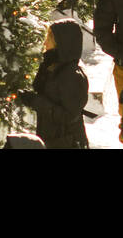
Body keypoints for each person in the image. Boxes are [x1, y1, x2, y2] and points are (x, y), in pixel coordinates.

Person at [23, 18, 88, 149]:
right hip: (55, 139)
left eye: (49, 38)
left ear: (62, 42)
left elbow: (69, 115)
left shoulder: (71, 74)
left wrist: (34, 101)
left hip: (66, 142)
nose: (45, 43)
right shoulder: (52, 67)